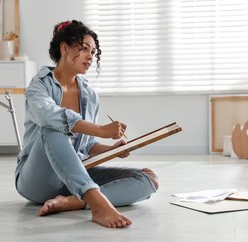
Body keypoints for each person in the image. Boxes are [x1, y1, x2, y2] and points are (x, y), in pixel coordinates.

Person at [14, 20, 159, 228]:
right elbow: (49, 118)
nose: (90, 56)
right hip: (37, 180)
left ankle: (75, 201)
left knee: (148, 179)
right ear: (64, 48)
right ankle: (97, 204)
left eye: (93, 51)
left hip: (74, 180)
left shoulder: (89, 94)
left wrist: (111, 150)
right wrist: (101, 129)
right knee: (52, 129)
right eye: (83, 49)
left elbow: (85, 145)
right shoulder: (39, 85)